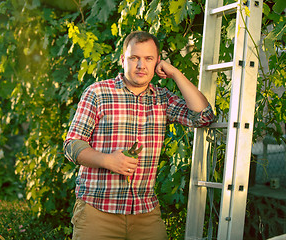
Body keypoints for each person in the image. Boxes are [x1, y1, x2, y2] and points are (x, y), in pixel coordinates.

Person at [63, 31, 215, 240]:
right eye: (134, 58)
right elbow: (72, 144)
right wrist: (107, 160)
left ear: (157, 63)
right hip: (97, 211)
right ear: (123, 59)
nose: (141, 65)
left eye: (148, 58)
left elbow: (203, 116)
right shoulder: (97, 93)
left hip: (145, 213)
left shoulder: (162, 99)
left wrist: (176, 74)